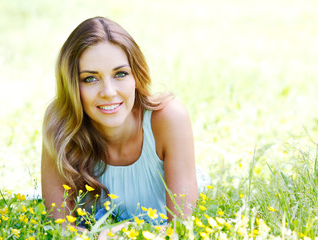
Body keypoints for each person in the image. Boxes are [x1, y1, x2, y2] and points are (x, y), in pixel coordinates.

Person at [41, 16, 200, 228]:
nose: (108, 92)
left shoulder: (168, 119)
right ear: (71, 85)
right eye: (90, 78)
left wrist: (116, 235)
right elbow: (61, 226)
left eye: (120, 74)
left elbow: (181, 226)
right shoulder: (60, 123)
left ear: (136, 77)